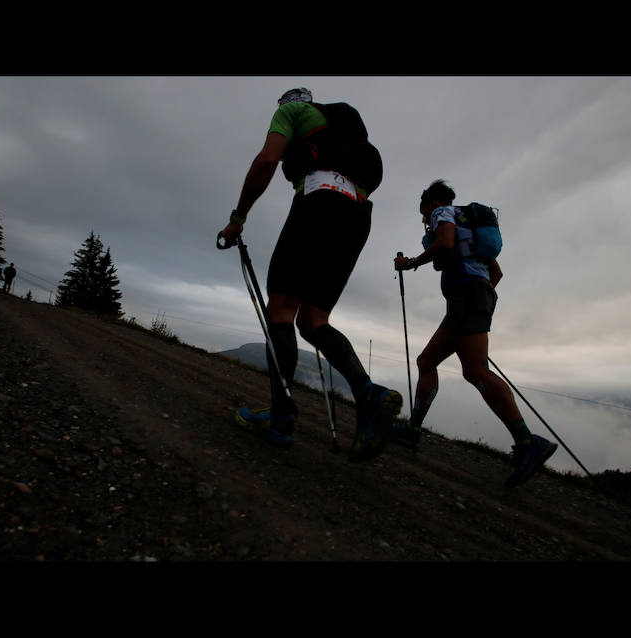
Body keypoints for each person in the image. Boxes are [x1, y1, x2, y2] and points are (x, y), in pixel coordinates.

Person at [217, 87, 402, 462]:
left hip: (318, 201)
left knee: (281, 309)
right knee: (314, 320)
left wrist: (238, 218)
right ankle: (368, 395)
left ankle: (281, 417)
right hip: (357, 214)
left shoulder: (290, 113)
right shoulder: (344, 124)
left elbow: (268, 161)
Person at [392, 179, 557, 487]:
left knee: (477, 372)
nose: (424, 218)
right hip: (470, 300)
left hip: (467, 299)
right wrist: (480, 301)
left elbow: (444, 243)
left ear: (432, 203)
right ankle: (412, 431)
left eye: (423, 211)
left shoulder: (444, 213)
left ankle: (527, 442)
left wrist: (411, 263)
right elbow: (496, 273)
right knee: (427, 362)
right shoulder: (469, 225)